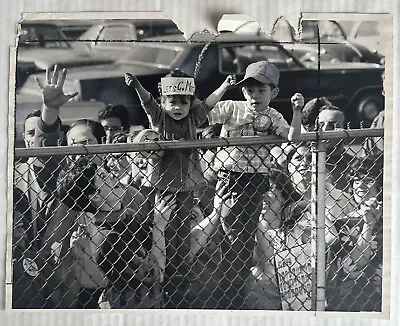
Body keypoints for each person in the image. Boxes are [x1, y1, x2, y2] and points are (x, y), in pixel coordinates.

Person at [125, 68, 236, 306]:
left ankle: (180, 272)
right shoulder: (159, 118)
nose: (177, 108)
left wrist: (225, 86)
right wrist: (136, 85)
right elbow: (147, 102)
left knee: (182, 230)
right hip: (161, 184)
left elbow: (208, 103)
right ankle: (163, 275)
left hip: (185, 185)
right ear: (163, 102)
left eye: (183, 103)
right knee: (162, 228)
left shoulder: (193, 118)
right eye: (172, 102)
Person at [206, 60, 304, 309]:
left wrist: (297, 111)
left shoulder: (273, 115)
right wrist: (222, 89)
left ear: (274, 93)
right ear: (243, 91)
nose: (255, 95)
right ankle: (228, 294)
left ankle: (233, 292)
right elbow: (202, 113)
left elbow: (292, 136)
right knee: (233, 239)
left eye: (262, 90)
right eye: (250, 90)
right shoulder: (232, 107)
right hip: (232, 178)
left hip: (257, 182)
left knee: (243, 240)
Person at [39, 156, 154, 309]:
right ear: (95, 196)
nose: (112, 175)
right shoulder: (106, 239)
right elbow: (154, 275)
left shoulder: (130, 214)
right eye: (103, 176)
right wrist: (159, 225)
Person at [245, 168, 338, 311]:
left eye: (268, 188)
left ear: (284, 195)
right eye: (257, 190)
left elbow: (331, 238)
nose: (262, 195)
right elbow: (269, 257)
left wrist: (309, 206)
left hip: (299, 299)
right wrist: (253, 216)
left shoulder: (298, 227)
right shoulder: (248, 229)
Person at [327, 154, 383, 311]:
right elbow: (357, 262)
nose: (360, 186)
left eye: (368, 180)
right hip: (351, 299)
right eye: (356, 181)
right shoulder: (344, 223)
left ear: (380, 185)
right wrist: (368, 224)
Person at [316, 104, 355, 191]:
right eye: (321, 124)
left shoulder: (355, 165)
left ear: (345, 128)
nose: (325, 130)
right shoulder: (308, 163)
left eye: (332, 125)